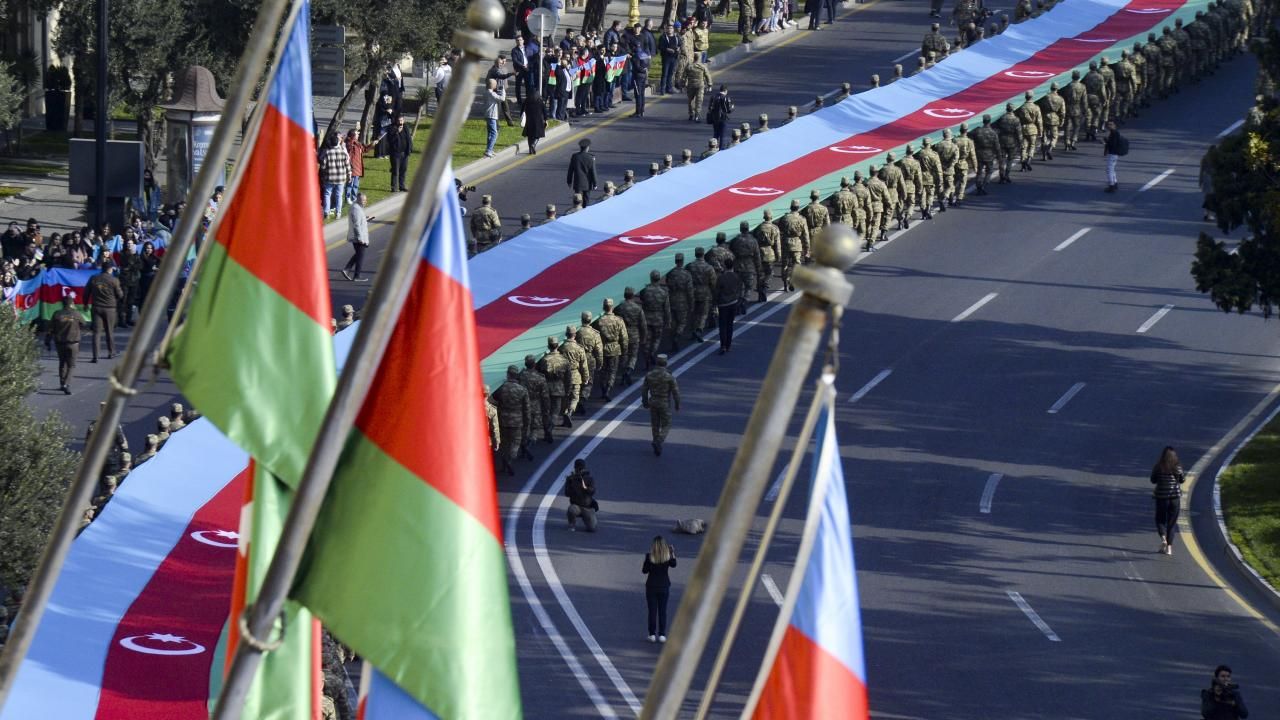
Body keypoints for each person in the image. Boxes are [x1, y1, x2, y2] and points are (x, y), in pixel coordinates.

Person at [642, 354, 680, 455]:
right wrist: (677, 404)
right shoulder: (669, 376)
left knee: (655, 425)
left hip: (653, 402)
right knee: (667, 424)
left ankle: (656, 443)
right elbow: (676, 392)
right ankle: (659, 441)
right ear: (666, 363)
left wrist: (645, 402)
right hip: (664, 403)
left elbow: (644, 390)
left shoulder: (649, 375)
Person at [1150, 446, 1185, 555]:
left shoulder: (1158, 467)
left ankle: (1163, 539)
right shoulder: (1177, 467)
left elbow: (1153, 480)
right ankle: (1169, 549)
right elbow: (1182, 480)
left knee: (1160, 519)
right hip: (1175, 498)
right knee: (1172, 522)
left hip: (1161, 498)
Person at [642, 535, 677, 642]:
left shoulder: (649, 556)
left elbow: (644, 571)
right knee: (663, 611)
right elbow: (674, 564)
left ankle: (652, 634)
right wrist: (672, 552)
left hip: (651, 586)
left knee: (652, 611)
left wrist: (647, 561)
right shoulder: (667, 557)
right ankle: (662, 634)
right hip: (664, 586)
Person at [87, 261, 123, 362]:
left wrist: (85, 304)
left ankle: (95, 356)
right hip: (110, 308)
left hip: (96, 307)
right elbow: (120, 295)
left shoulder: (94, 278)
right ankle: (111, 352)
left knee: (96, 333)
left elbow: (86, 292)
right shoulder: (114, 280)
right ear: (111, 269)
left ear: (101, 268)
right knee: (109, 331)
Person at [50, 295, 81, 394]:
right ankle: (66, 384)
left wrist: (48, 340)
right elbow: (84, 323)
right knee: (71, 365)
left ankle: (62, 383)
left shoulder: (57, 314)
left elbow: (51, 328)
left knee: (62, 363)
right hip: (73, 342)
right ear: (72, 303)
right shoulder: (76, 313)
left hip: (60, 342)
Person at [319, 132, 352, 218]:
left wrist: (323, 174)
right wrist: (349, 176)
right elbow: (348, 166)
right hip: (341, 178)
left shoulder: (327, 153)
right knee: (339, 195)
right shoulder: (343, 153)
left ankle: (326, 212)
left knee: (327, 194)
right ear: (338, 142)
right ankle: (338, 213)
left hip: (329, 177)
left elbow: (323, 166)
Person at [713, 264, 743, 354]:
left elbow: (717, 292)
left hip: (723, 304)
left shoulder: (721, 278)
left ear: (725, 267)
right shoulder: (736, 277)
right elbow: (740, 289)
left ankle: (723, 346)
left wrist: (715, 303)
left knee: (722, 326)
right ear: (732, 267)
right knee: (730, 325)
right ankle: (728, 345)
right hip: (733, 303)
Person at [342, 193, 370, 281]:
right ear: (358, 200)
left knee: (358, 255)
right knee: (360, 256)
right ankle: (357, 276)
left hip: (358, 236)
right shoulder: (356, 209)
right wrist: (360, 238)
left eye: (365, 200)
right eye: (363, 200)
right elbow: (356, 225)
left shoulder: (357, 208)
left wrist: (364, 219)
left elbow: (358, 221)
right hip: (358, 237)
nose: (364, 202)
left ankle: (347, 269)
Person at [565, 458, 598, 532]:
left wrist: (585, 488)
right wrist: (572, 486)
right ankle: (572, 524)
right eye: (578, 468)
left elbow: (593, 491)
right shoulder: (571, 479)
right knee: (571, 510)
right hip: (576, 506)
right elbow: (567, 493)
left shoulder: (589, 479)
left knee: (592, 528)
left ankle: (591, 515)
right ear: (575, 468)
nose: (579, 470)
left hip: (587, 507)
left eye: (581, 469)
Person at [566, 138, 598, 206]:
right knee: (586, 202)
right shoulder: (591, 158)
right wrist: (595, 183)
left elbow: (570, 170)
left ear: (580, 147)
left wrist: (569, 181)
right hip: (587, 184)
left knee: (577, 201)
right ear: (587, 148)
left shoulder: (575, 157)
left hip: (578, 183)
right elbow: (593, 172)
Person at [387, 117, 413, 193]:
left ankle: (402, 186)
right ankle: (394, 187)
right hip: (395, 154)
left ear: (404, 121)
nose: (400, 122)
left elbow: (408, 139)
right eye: (399, 120)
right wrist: (397, 132)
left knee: (403, 170)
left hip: (404, 153)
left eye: (401, 120)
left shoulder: (405, 127)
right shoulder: (392, 128)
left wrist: (409, 149)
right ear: (396, 121)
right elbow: (390, 140)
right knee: (395, 170)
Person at [1103, 120, 1128, 192]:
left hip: (1112, 154)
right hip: (1113, 154)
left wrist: (1105, 142)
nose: (1109, 126)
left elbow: (1113, 144)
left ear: (1114, 125)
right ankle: (1115, 182)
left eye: (1111, 124)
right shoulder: (1114, 132)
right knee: (1112, 169)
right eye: (1108, 124)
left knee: (1109, 170)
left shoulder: (1114, 133)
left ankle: (1112, 185)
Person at [483, 78, 504, 158]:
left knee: (490, 133)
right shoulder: (492, 94)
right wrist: (503, 91)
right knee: (494, 133)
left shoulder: (485, 92)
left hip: (487, 115)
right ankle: (488, 150)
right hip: (492, 115)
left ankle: (490, 149)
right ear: (493, 86)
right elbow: (502, 99)